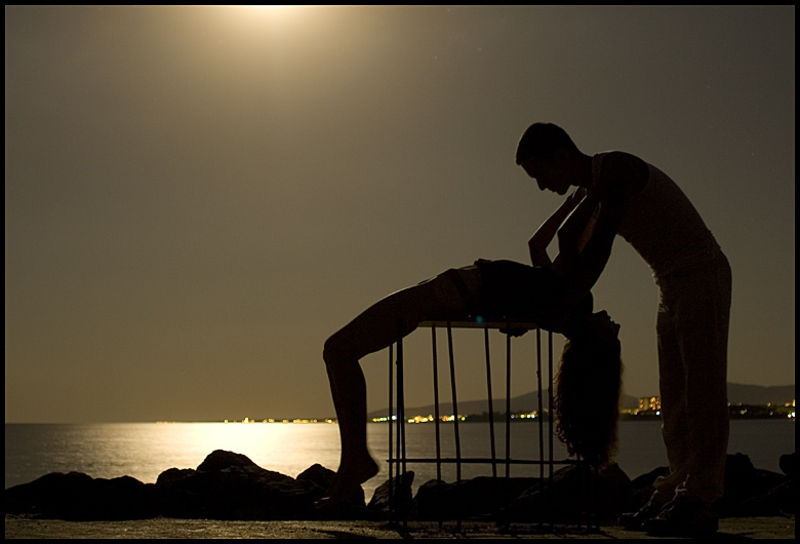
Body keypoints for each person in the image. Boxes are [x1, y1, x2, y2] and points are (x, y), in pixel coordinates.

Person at [319, 185, 623, 510]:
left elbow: (566, 238)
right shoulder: (562, 300)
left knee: (339, 349)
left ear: (596, 345)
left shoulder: (571, 300)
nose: (615, 324)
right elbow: (537, 245)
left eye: (613, 336)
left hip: (447, 294)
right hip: (448, 289)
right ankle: (352, 463)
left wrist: (597, 194)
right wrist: (571, 203)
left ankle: (354, 461)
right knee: (339, 350)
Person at [515, 122, 732, 537]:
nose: (541, 186)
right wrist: (538, 309)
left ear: (561, 156)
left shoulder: (616, 169)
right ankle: (674, 488)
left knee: (702, 391)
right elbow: (568, 247)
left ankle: (700, 496)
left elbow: (597, 251)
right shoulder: (591, 190)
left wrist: (558, 307)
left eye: (540, 174)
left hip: (702, 273)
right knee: (675, 397)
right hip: (669, 282)